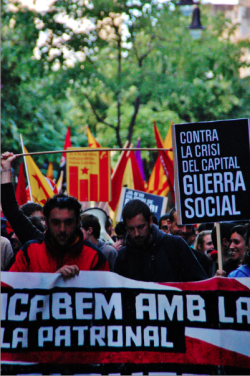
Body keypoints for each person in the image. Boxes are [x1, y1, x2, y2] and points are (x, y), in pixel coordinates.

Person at [9, 193, 109, 277]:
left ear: (78, 222)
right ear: (46, 223)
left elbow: (106, 296)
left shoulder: (95, 257)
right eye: (55, 222)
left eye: (68, 222)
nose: (62, 229)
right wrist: (53, 280)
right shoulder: (30, 251)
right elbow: (9, 289)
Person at [114, 200, 207, 282]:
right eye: (131, 229)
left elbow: (199, 282)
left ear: (150, 221)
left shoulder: (175, 245)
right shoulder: (123, 256)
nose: (137, 233)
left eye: (141, 227)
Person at [167, 206, 210, 276]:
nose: (184, 231)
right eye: (180, 225)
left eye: (188, 226)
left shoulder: (200, 259)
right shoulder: (157, 253)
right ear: (169, 223)